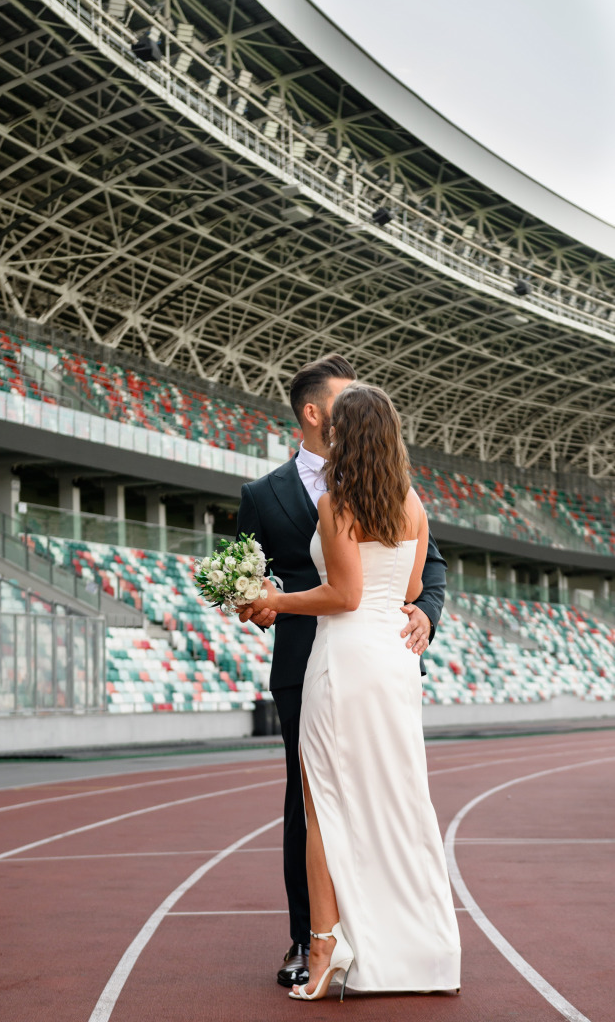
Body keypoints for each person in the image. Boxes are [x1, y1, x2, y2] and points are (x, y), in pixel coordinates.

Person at [236, 355, 448, 989]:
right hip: (309, 666)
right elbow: (247, 573)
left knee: (350, 798)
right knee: (312, 807)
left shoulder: (381, 492)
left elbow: (427, 572)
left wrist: (428, 615)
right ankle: (308, 940)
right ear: (313, 413)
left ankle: (354, 939)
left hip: (357, 649)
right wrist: (252, 603)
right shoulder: (261, 495)